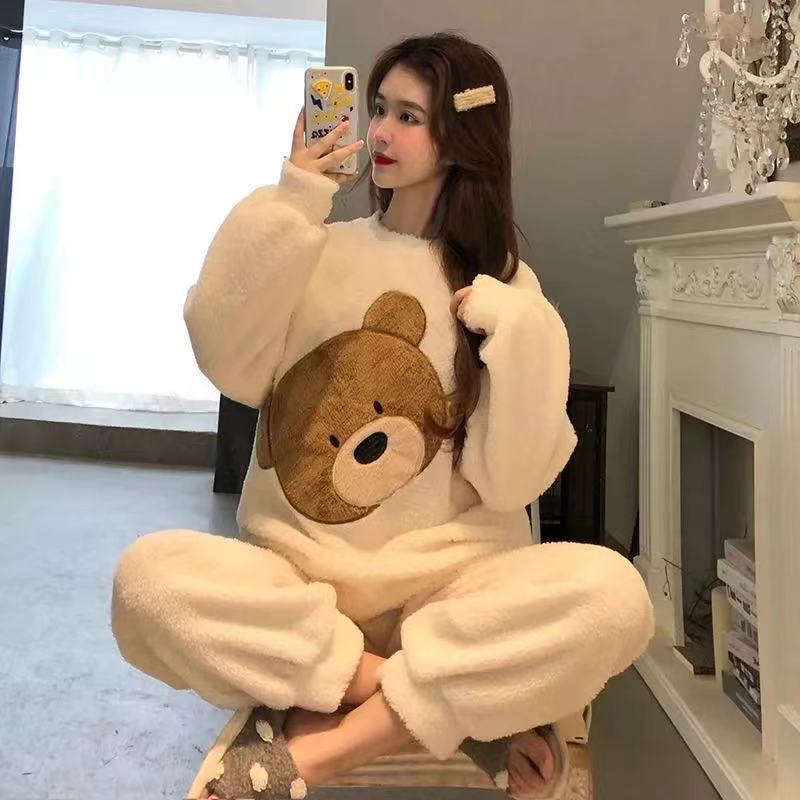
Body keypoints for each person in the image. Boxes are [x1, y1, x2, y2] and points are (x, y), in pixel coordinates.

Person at [111, 31, 654, 800]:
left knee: (615, 600)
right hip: (300, 583)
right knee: (147, 583)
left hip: (447, 592)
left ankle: (327, 745)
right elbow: (225, 355)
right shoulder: (315, 246)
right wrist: (294, 197)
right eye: (378, 110)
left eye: (410, 116)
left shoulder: (506, 287)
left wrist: (522, 333)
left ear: (460, 137)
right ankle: (435, 701)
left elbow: (512, 482)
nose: (381, 134)